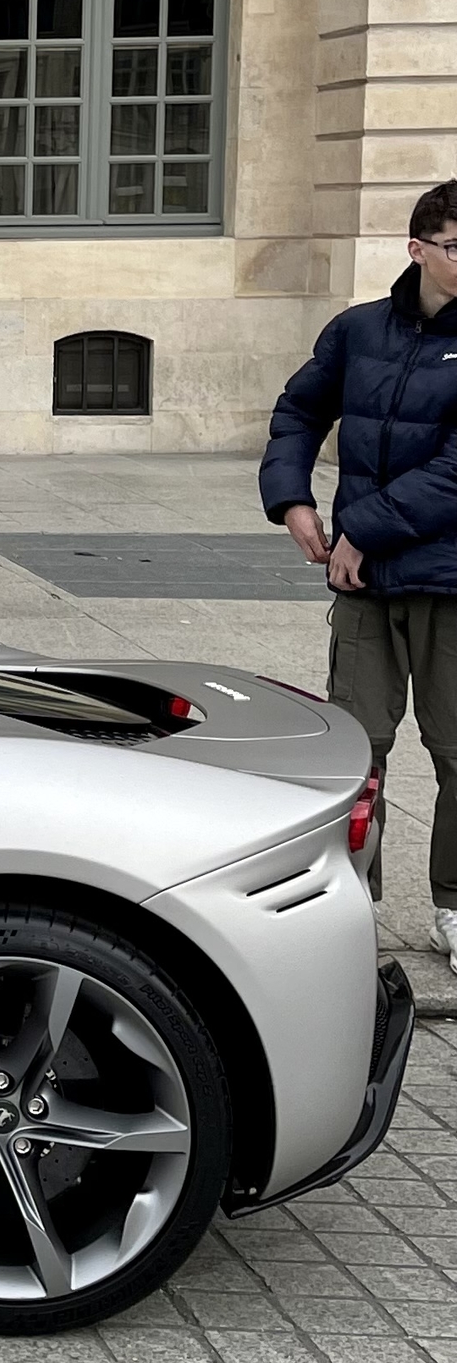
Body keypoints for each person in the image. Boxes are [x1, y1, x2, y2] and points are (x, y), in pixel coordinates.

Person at [262, 177, 457, 965]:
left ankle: (455, 905)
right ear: (417, 249)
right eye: (455, 245)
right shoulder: (358, 330)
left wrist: (360, 531)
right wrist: (291, 501)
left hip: (447, 581)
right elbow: (299, 410)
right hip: (365, 585)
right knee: (357, 746)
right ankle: (349, 905)